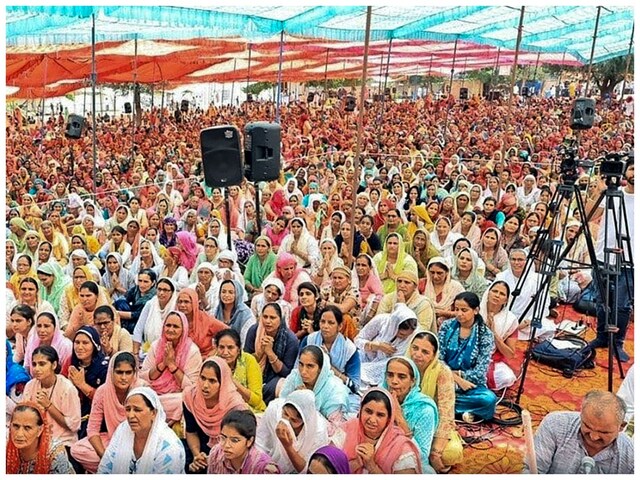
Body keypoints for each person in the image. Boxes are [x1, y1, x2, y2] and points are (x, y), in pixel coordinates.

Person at [525, 390, 633, 474]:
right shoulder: (555, 424)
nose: (593, 437)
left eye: (604, 432)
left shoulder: (631, 456)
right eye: (587, 426)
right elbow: (533, 469)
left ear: (621, 427)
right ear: (581, 414)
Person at [589, 160, 634, 362]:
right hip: (603, 257)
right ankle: (601, 337)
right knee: (602, 300)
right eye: (632, 168)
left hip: (630, 261)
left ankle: (617, 342)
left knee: (623, 305)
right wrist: (600, 191)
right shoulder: (613, 195)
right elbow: (589, 215)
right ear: (625, 172)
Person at [70, 352, 144, 473]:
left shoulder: (142, 390)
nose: (124, 377)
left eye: (128, 372)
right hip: (113, 441)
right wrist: (106, 458)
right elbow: (92, 429)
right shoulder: (102, 391)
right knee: (77, 449)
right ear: (111, 372)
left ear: (134, 373)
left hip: (139, 443)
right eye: (119, 372)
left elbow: (149, 426)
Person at [406, 331, 463, 472]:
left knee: (450, 454)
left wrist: (435, 452)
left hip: (432, 425)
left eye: (425, 352)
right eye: (415, 348)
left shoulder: (442, 372)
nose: (418, 354)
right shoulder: (403, 366)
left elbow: (446, 414)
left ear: (434, 355)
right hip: (405, 421)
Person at [97, 387, 186, 474]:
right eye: (128, 409)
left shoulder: (169, 446)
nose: (131, 415)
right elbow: (106, 467)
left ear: (153, 413)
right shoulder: (123, 430)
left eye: (137, 410)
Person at [182, 357, 248, 473]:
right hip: (198, 447)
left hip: (226, 451)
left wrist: (212, 458)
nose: (205, 385)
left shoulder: (234, 406)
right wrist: (197, 455)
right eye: (202, 378)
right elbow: (191, 431)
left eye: (212, 381)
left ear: (222, 382)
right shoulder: (190, 397)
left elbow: (237, 443)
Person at [438, 292, 497, 422]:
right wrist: (456, 379)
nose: (459, 314)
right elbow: (438, 359)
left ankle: (444, 406)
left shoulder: (485, 334)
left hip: (471, 385)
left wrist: (461, 377)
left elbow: (480, 371)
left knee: (488, 400)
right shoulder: (446, 327)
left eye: (464, 310)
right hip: (443, 378)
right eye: (457, 309)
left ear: (476, 310)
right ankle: (461, 411)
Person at [336, 388, 422, 473]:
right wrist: (357, 462)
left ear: (389, 418)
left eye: (380, 415)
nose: (372, 420)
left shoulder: (400, 447)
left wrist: (371, 465)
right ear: (361, 410)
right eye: (368, 411)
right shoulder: (348, 429)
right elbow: (328, 468)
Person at [140, 311, 203, 422]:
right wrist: (163, 364)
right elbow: (143, 376)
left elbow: (191, 386)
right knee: (137, 387)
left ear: (183, 329)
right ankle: (156, 410)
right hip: (154, 391)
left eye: (176, 326)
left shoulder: (192, 351)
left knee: (185, 399)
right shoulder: (156, 346)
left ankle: (153, 410)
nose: (171, 329)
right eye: (168, 325)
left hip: (176, 396)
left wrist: (172, 366)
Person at [381, 356, 439, 472]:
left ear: (413, 381)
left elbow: (421, 456)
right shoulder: (380, 398)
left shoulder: (424, 409)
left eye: (402, 377)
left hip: (409, 461)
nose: (394, 381)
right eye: (390, 375)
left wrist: (399, 417)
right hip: (378, 454)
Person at [255, 389, 329, 473]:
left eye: (294, 420)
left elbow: (308, 471)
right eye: (285, 414)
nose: (286, 421)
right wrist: (265, 465)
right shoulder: (274, 410)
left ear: (304, 422)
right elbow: (260, 444)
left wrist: (288, 446)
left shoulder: (318, 431)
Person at [22, 345, 82, 447]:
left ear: (54, 365)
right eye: (34, 364)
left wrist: (49, 405)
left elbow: (73, 426)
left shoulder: (67, 388)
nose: (36, 369)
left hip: (62, 441)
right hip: (35, 438)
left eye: (42, 364)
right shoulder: (30, 386)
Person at [279, 345, 350, 426]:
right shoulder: (295, 377)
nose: (303, 371)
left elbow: (335, 429)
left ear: (320, 369)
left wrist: (307, 403)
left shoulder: (335, 389)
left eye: (310, 366)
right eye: (301, 364)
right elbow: (280, 406)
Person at [301, 305, 361, 399]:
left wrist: (327, 364)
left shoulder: (349, 349)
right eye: (322, 322)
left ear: (340, 326)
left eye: (331, 323)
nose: (325, 326)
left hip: (336, 390)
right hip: (308, 386)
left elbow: (355, 386)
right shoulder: (309, 340)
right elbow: (297, 368)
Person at [244, 303, 299, 404]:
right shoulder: (254, 331)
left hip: (274, 379)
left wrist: (270, 353)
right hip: (253, 373)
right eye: (265, 317)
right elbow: (244, 361)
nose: (268, 321)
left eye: (272, 318)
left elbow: (287, 373)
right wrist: (259, 353)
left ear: (280, 319)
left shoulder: (290, 339)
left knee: (278, 386)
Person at [355, 303, 420, 387]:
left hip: (386, 366)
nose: (405, 338)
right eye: (402, 334)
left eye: (408, 335)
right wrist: (377, 346)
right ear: (394, 326)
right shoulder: (382, 321)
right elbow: (358, 340)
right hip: (367, 356)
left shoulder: (415, 334)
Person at [6, 402, 75, 474]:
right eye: (16, 426)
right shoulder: (5, 445)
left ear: (40, 430)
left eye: (27, 428)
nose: (19, 434)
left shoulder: (54, 454)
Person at [207, 410, 280, 474]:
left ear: (249, 441)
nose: (226, 445)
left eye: (234, 440)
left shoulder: (264, 469)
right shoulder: (216, 453)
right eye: (223, 438)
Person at [68, 326, 109, 439]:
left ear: (95, 345)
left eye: (85, 343)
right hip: (74, 411)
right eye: (77, 342)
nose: (80, 347)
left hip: (98, 415)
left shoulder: (104, 368)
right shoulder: (71, 362)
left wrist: (82, 385)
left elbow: (107, 400)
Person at [214, 329, 266, 412]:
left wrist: (231, 380)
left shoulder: (249, 361)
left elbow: (256, 400)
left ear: (238, 350)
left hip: (250, 410)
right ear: (216, 348)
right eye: (221, 347)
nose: (225, 352)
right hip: (220, 410)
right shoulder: (213, 363)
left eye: (230, 347)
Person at [480, 281, 518, 390]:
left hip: (489, 358)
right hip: (466, 353)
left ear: (506, 300)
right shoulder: (475, 310)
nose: (497, 295)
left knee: (507, 377)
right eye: (495, 291)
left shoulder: (510, 320)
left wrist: (493, 333)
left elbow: (510, 354)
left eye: (502, 294)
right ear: (488, 292)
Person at [132, 277, 177, 357]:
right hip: (148, 349)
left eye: (165, 290)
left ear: (172, 292)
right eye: (159, 289)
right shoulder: (151, 304)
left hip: (170, 351)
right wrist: (135, 354)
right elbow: (138, 328)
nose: (161, 293)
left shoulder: (176, 307)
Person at [24, 311, 72, 377]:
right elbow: (27, 366)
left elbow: (66, 372)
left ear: (55, 327)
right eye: (39, 326)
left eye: (46, 326)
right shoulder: (32, 340)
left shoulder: (65, 345)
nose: (42, 330)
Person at [213, 279, 256, 345]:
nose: (226, 295)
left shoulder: (245, 314)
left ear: (238, 294)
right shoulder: (217, 311)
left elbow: (245, 340)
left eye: (231, 292)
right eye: (223, 292)